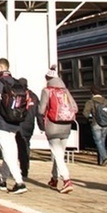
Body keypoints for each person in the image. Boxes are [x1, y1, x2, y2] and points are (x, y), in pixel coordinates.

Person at [0, 57, 27, 194]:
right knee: (11, 150)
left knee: (8, 152)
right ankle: (2, 180)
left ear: (1, 68)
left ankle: (19, 182)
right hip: (14, 121)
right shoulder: (16, 82)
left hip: (1, 121)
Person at [37, 65, 77, 193]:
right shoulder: (65, 91)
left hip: (53, 126)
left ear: (48, 79)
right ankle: (54, 179)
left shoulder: (47, 91)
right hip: (66, 126)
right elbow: (75, 108)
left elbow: (41, 110)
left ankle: (66, 180)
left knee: (58, 155)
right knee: (59, 153)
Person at [15, 78, 39, 179]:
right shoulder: (33, 96)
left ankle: (19, 167)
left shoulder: (18, 95)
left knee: (18, 146)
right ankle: (25, 168)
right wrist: (41, 125)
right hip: (30, 124)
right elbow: (39, 111)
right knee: (26, 145)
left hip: (19, 124)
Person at [83, 86, 107, 166]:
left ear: (92, 93)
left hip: (95, 124)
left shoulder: (90, 102)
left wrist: (90, 118)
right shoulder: (106, 101)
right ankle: (101, 162)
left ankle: (105, 157)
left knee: (98, 142)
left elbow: (85, 113)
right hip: (106, 124)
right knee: (102, 142)